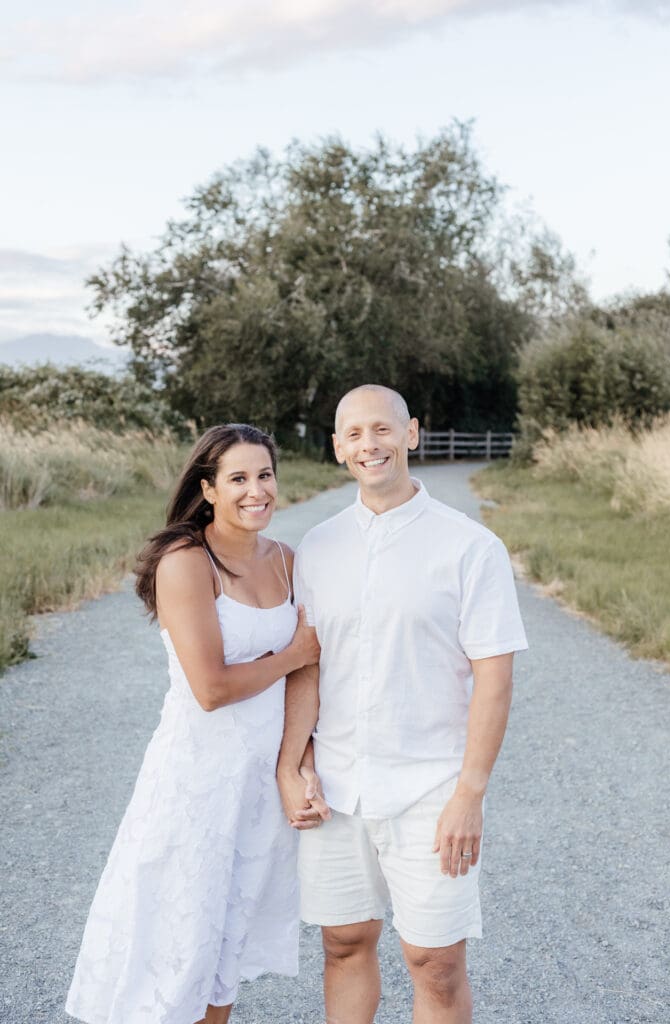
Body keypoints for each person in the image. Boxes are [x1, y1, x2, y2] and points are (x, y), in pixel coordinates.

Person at [277, 385, 528, 1024]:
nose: (370, 445)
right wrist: (297, 761)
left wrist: (470, 794)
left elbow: (495, 679)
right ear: (337, 448)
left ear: (411, 433)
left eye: (383, 430)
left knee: (434, 964)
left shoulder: (470, 547)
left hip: (432, 789)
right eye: (354, 435)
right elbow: (308, 665)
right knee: (343, 943)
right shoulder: (317, 548)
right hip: (335, 786)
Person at [66, 423, 321, 1024]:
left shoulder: (287, 561)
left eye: (264, 475)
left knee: (225, 944)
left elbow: (306, 682)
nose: (256, 490)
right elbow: (211, 688)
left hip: (259, 783)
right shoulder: (186, 563)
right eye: (237, 478)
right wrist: (292, 654)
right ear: (208, 488)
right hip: (195, 782)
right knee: (175, 947)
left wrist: (297, 761)